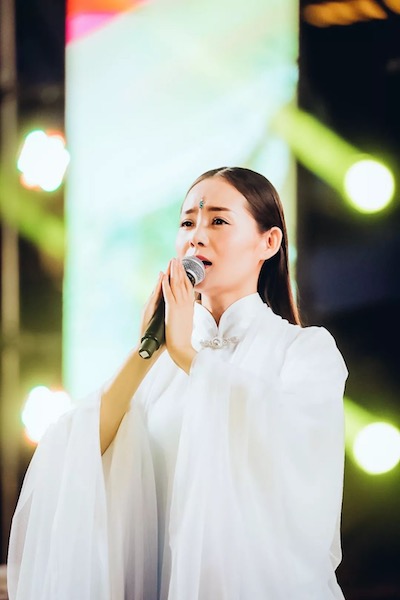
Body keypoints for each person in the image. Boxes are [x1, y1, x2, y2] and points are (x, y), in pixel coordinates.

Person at [7, 167, 348, 600]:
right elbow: (79, 453)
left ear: (269, 242)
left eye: (218, 220)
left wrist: (188, 354)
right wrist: (147, 349)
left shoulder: (305, 352)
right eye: (187, 222)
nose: (196, 237)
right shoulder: (158, 365)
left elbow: (294, 459)